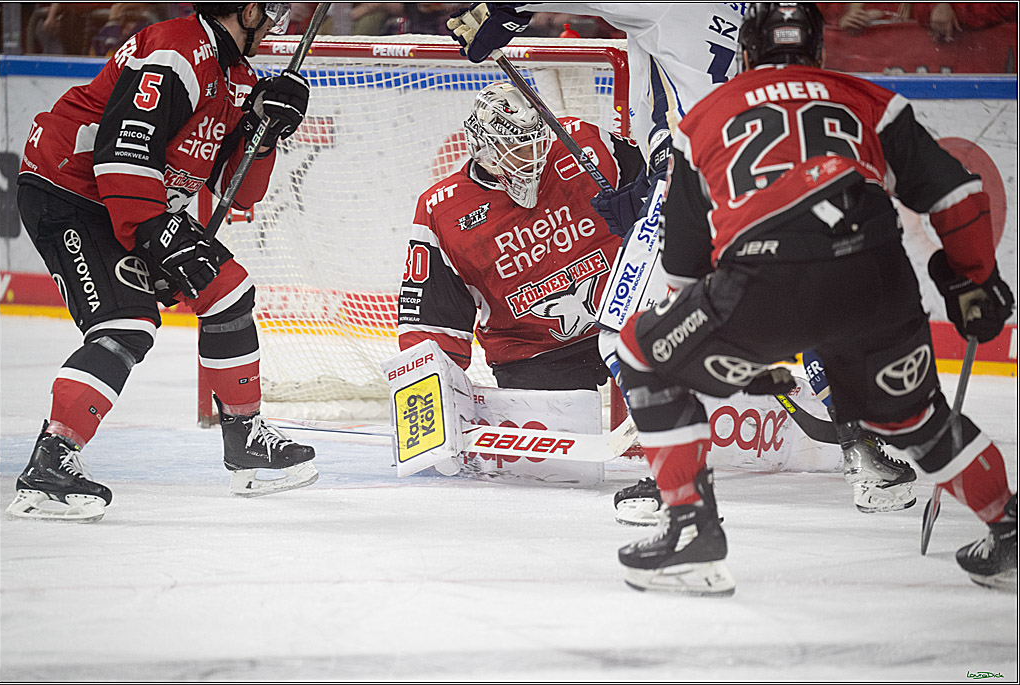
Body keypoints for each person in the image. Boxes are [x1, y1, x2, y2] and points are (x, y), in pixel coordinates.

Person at [446, 2, 917, 523]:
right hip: (782, 171)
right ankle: (866, 457)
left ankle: (674, 479)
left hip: (697, 175)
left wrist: (505, 10)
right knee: (810, 311)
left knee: (626, 333)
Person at [609, 3, 1016, 595]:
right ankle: (1008, 527)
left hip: (763, 283)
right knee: (917, 419)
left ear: (747, 54)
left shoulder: (702, 118)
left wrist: (730, 355)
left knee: (642, 353)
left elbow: (682, 269)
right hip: (875, 280)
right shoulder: (870, 99)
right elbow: (958, 194)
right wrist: (975, 280)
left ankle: (691, 531)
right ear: (820, 52)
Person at [7, 2, 319, 523]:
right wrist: (153, 232)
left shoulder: (238, 76)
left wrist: (262, 132)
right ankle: (49, 466)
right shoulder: (177, 50)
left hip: (130, 202)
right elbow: (123, 152)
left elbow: (238, 191)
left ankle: (245, 440)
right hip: (72, 192)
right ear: (248, 11)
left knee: (228, 291)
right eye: (273, 11)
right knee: (126, 323)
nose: (276, 24)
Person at [397, 81, 643, 394]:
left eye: (536, 143)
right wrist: (427, 389)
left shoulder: (584, 144)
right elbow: (432, 323)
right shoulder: (444, 210)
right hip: (533, 355)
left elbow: (665, 191)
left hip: (627, 317)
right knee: (555, 428)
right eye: (519, 149)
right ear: (485, 148)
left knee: (674, 408)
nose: (533, 157)